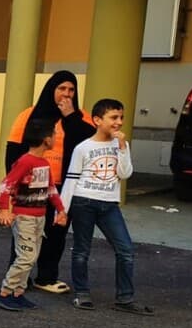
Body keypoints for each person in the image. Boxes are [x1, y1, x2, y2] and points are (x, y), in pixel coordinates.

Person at [6, 70, 95, 293]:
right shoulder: (29, 114)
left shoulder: (81, 117)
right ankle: (18, 278)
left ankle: (46, 277)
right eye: (61, 89)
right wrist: (15, 185)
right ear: (51, 90)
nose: (66, 94)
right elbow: (13, 150)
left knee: (56, 233)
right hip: (31, 188)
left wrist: (71, 117)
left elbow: (89, 144)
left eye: (71, 90)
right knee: (27, 232)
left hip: (64, 187)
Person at [62, 98, 151, 315]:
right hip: (84, 201)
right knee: (82, 250)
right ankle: (82, 294)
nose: (119, 122)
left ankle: (125, 298)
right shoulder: (83, 147)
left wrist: (121, 148)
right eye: (113, 117)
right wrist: (62, 210)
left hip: (109, 203)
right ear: (97, 120)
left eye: (121, 117)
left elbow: (125, 173)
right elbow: (72, 179)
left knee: (126, 250)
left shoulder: (122, 145)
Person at [0, 120, 67, 311]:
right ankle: (5, 292)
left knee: (31, 256)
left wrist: (60, 210)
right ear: (46, 139)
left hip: (39, 217)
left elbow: (50, 189)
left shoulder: (43, 163)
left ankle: (18, 293)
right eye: (54, 135)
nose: (56, 138)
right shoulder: (25, 161)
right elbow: (6, 185)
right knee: (26, 256)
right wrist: (4, 209)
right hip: (24, 217)